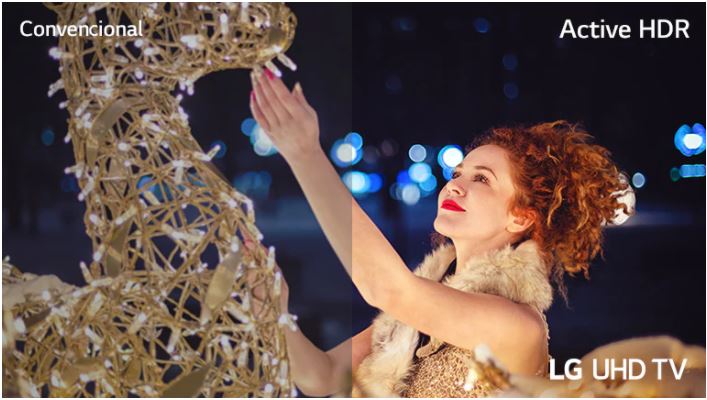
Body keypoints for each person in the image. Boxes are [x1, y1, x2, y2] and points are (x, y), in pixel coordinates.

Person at [247, 67, 634, 397]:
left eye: (482, 179)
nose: (455, 186)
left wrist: (305, 154)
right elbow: (322, 376)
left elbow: (386, 287)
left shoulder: (518, 326)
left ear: (520, 218)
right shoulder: (412, 315)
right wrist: (272, 311)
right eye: (457, 173)